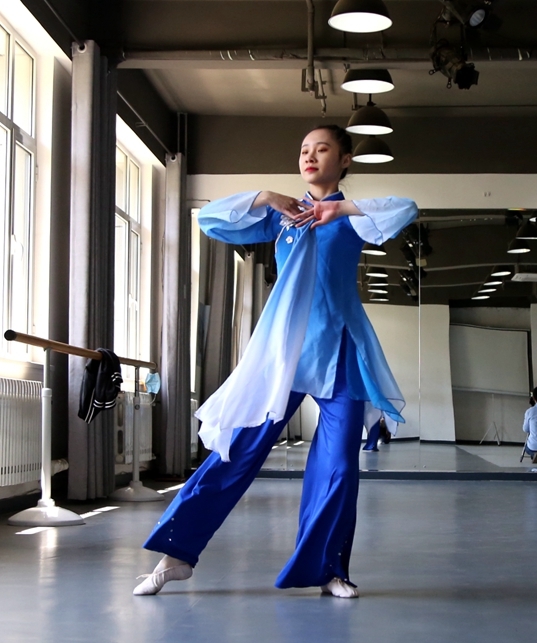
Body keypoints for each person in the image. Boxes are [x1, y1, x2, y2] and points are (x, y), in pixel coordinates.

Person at [132, 125, 418, 598]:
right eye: (304, 150)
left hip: (340, 353)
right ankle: (176, 555)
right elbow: (210, 220)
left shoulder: (351, 219)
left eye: (322, 149)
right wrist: (266, 197)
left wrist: (341, 208)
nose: (309, 156)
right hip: (284, 353)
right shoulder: (282, 217)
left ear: (345, 160)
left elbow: (405, 209)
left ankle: (329, 568)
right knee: (237, 451)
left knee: (339, 465)